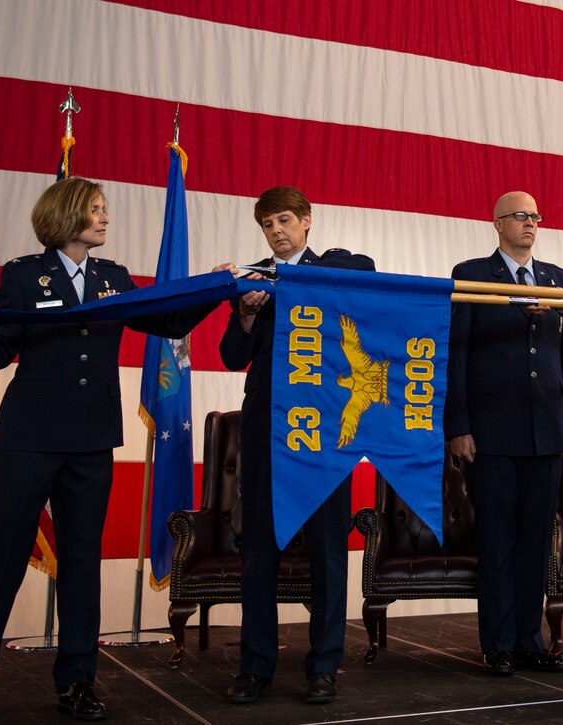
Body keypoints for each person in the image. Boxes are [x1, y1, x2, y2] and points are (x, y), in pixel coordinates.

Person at [0, 177, 215, 722]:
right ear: (66, 216)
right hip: (28, 440)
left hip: (90, 443)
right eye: (96, 209)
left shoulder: (114, 279)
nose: (106, 218)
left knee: (82, 564)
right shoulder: (22, 276)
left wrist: (217, 287)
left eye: (105, 210)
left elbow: (167, 319)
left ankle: (77, 682)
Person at [217, 186, 374, 705]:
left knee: (329, 552)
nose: (276, 231)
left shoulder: (335, 267)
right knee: (258, 552)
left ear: (307, 221)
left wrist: (287, 281)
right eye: (267, 225)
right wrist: (243, 313)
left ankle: (324, 665)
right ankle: (254, 666)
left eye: (284, 220)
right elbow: (229, 356)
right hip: (267, 432)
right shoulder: (251, 282)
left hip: (325, 436)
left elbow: (365, 271)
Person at [444, 191, 563, 676]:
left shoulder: (557, 280)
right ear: (497, 223)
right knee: (497, 542)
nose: (530, 223)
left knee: (534, 542)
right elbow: (455, 353)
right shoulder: (472, 274)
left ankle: (529, 640)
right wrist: (458, 425)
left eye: (536, 216)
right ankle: (498, 643)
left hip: (547, 429)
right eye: (521, 216)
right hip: (492, 431)